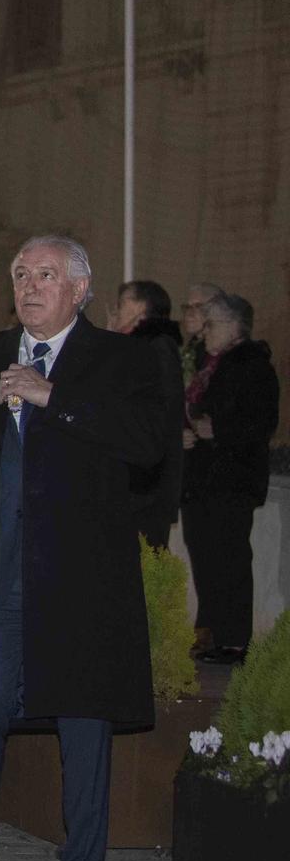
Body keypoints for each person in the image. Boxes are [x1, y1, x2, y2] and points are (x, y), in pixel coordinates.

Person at [0, 235, 173, 861]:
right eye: (21, 274)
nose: (30, 286)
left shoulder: (124, 359)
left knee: (85, 732)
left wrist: (50, 394)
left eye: (47, 274)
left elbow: (149, 446)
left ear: (81, 288)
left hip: (81, 586)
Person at [181, 292, 280, 665]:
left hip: (232, 480)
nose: (204, 332)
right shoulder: (210, 363)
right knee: (206, 558)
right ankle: (213, 635)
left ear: (233, 326)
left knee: (230, 559)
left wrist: (217, 429)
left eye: (211, 325)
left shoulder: (252, 365)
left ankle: (235, 640)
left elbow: (261, 423)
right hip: (203, 478)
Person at [109, 279, 186, 548]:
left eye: (122, 303)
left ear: (142, 308)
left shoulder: (157, 347)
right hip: (131, 482)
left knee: (144, 572)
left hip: (145, 486)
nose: (116, 309)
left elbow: (154, 415)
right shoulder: (137, 347)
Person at [178, 281, 223, 380]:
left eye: (198, 307)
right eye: (187, 307)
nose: (189, 313)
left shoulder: (220, 351)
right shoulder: (192, 345)